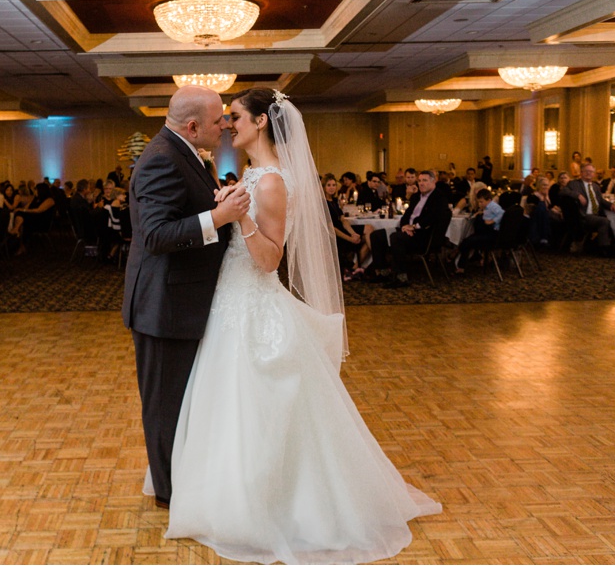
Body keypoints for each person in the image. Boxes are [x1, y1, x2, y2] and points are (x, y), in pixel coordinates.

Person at [162, 88, 441, 563]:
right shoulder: (254, 174)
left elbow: (270, 260)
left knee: (256, 404)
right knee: (227, 401)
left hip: (253, 300)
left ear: (261, 122)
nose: (229, 125)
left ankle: (266, 507)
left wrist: (239, 216)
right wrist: (230, 207)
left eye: (236, 117)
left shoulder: (271, 182)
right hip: (232, 299)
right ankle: (225, 494)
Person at [122, 85, 249, 511]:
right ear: (193, 127)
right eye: (218, 120)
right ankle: (169, 494)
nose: (225, 126)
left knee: (182, 400)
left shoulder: (182, 152)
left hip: (181, 299)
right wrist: (219, 216)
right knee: (164, 405)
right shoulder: (161, 159)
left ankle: (183, 481)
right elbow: (156, 235)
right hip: (164, 306)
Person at [374, 170, 450, 289]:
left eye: (424, 180)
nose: (421, 183)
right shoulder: (416, 196)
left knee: (396, 237)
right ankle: (383, 272)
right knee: (377, 235)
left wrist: (414, 227)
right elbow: (406, 216)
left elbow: (432, 218)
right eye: (419, 181)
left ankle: (401, 277)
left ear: (433, 181)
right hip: (408, 231)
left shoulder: (439, 197)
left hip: (424, 236)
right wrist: (405, 227)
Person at [561, 163, 615, 256]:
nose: (589, 173)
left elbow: (600, 200)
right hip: (584, 215)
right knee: (604, 221)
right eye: (586, 171)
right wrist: (577, 195)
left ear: (594, 174)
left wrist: (610, 205)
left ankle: (610, 245)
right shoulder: (574, 183)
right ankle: (604, 248)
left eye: (591, 172)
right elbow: (563, 191)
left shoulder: (595, 186)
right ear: (581, 172)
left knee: (613, 218)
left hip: (596, 214)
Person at [454, 188, 504, 274]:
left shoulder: (493, 206)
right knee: (467, 240)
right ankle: (461, 262)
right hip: (489, 232)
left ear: (489, 200)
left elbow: (502, 213)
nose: (480, 204)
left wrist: (492, 221)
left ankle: (459, 262)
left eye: (481, 202)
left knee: (467, 242)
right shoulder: (488, 207)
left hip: (492, 234)